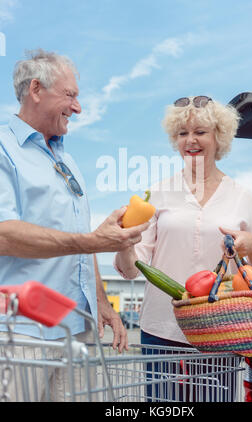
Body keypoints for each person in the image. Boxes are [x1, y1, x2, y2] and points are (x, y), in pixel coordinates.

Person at [0, 49, 149, 401]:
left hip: (78, 332)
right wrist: (93, 241)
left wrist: (101, 302)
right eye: (70, 95)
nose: (78, 108)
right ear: (36, 89)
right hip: (21, 334)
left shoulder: (65, 159)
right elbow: (4, 234)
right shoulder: (4, 148)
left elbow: (83, 241)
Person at [114, 95, 252, 401]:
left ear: (219, 137)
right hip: (162, 331)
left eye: (200, 132)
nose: (190, 141)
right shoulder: (160, 192)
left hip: (220, 331)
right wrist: (123, 240)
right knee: (162, 407)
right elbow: (129, 269)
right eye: (182, 134)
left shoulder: (243, 197)